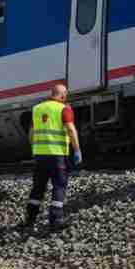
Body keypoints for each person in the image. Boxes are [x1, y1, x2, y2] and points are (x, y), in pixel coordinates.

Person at [24, 83, 82, 230]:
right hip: (57, 155)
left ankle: (30, 219)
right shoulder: (64, 109)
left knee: (38, 187)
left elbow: (31, 132)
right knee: (59, 185)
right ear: (62, 96)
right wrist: (77, 150)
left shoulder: (36, 109)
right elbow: (70, 129)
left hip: (40, 156)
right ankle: (55, 219)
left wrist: (33, 149)